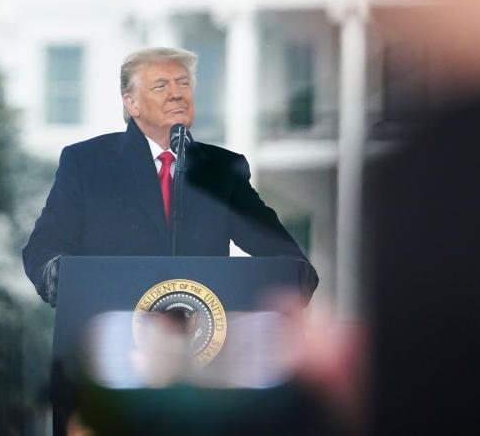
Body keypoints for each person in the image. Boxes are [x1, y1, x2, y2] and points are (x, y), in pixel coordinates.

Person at [22, 46, 318, 307]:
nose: (177, 93)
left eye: (183, 83)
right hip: (110, 346)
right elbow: (43, 248)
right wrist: (62, 276)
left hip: (203, 351)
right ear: (131, 104)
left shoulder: (221, 169)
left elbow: (288, 260)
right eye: (160, 86)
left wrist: (289, 280)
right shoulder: (87, 163)